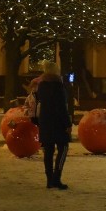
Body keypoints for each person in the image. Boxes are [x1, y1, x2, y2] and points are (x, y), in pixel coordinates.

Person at [35, 61, 72, 190]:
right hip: (58, 123)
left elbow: (39, 101)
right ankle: (57, 177)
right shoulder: (58, 85)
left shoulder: (41, 86)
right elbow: (62, 107)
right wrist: (67, 123)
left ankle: (49, 180)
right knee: (64, 148)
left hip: (45, 121)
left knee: (48, 151)